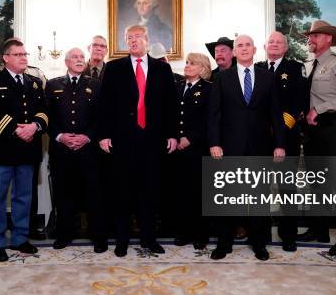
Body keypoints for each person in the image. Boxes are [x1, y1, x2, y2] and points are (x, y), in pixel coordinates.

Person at [98, 24, 177, 257]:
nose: (133, 41)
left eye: (137, 37)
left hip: (153, 142)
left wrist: (172, 134)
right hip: (122, 142)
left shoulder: (162, 69)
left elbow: (170, 106)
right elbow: (104, 106)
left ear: (147, 39)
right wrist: (103, 135)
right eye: (128, 37)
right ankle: (122, 240)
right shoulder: (113, 69)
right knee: (122, 193)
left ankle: (149, 239)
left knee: (150, 193)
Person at [208, 34, 286, 261]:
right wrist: (214, 143)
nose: (243, 49)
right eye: (239, 46)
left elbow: (276, 115)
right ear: (234, 52)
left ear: (254, 50)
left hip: (260, 146)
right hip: (228, 147)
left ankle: (259, 243)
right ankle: (224, 243)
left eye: (247, 45)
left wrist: (280, 144)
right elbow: (214, 115)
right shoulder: (222, 78)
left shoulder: (267, 77)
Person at [0, 37, 49, 262]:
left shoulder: (34, 82)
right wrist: (16, 129)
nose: (24, 58)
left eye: (25, 54)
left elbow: (45, 110)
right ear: (5, 58)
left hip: (28, 150)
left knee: (23, 197)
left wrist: (35, 126)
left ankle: (20, 238)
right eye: (18, 55)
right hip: (1, 149)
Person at [299, 20, 336, 257]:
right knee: (317, 182)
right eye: (310, 37)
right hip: (313, 130)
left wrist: (320, 110)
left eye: (316, 36)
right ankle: (319, 230)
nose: (310, 40)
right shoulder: (309, 65)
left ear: (328, 39)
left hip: (334, 127)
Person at [45, 48, 107, 253]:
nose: (80, 60)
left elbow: (102, 118)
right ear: (66, 62)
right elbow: (47, 117)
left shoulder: (96, 85)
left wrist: (87, 136)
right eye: (75, 57)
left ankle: (98, 237)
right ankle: (64, 234)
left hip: (88, 151)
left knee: (94, 195)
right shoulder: (53, 85)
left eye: (82, 57)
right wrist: (60, 136)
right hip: (61, 151)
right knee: (64, 194)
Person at [256, 31, 308, 252]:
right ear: (264, 46)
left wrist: (277, 129)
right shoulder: (256, 68)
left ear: (286, 48)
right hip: (259, 140)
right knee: (261, 189)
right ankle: (262, 234)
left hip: (286, 138)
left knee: (287, 188)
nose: (274, 45)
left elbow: (300, 101)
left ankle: (289, 236)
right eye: (271, 42)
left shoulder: (296, 68)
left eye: (279, 42)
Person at [172, 52, 212, 249]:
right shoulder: (178, 86)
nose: (187, 66)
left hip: (197, 149)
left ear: (203, 68)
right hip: (177, 149)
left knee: (199, 193)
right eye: (186, 62)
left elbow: (210, 120)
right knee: (180, 192)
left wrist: (190, 138)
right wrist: (175, 137)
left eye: (192, 63)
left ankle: (201, 235)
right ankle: (183, 232)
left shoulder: (209, 89)